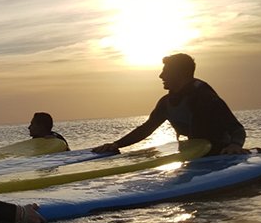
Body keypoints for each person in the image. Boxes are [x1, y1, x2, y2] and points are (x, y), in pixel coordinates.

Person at [93, 53, 247, 156]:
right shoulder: (166, 103)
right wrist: (116, 144)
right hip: (195, 156)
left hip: (220, 156)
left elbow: (237, 129)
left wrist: (235, 145)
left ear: (180, 73)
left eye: (166, 71)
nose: (161, 75)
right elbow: (146, 129)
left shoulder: (205, 97)